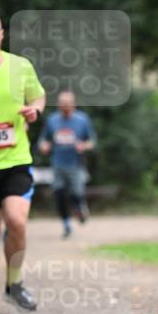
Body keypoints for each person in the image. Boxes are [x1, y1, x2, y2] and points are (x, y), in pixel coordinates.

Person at [0, 10, 46, 314]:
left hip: (17, 159)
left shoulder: (20, 66)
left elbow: (38, 97)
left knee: (17, 221)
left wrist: (34, 110)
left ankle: (15, 283)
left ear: (3, 33)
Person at [38, 90, 96, 238]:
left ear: (73, 104)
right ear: (58, 105)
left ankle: (80, 209)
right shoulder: (52, 120)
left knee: (77, 193)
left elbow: (92, 141)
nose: (64, 106)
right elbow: (43, 140)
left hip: (76, 164)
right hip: (57, 164)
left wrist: (84, 146)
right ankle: (66, 225)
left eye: (67, 104)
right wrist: (44, 146)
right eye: (62, 104)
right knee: (59, 195)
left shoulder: (82, 120)